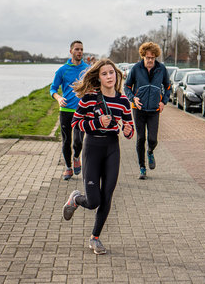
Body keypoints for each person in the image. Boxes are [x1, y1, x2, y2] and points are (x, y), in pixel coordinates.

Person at [62, 59, 134, 255]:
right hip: (92, 147)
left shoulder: (123, 101)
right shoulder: (89, 98)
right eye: (104, 74)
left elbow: (129, 128)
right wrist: (97, 122)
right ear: (99, 77)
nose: (109, 76)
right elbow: (76, 123)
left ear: (117, 75)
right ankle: (76, 199)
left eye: (112, 72)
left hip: (112, 147)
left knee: (107, 196)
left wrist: (128, 130)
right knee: (94, 201)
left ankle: (95, 238)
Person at [124, 42, 171, 180]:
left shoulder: (161, 69)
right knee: (140, 138)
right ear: (143, 56)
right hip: (138, 109)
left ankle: (150, 151)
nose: (150, 60)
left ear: (156, 57)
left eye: (153, 57)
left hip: (154, 110)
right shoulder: (136, 69)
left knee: (152, 139)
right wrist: (133, 99)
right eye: (147, 57)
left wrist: (164, 102)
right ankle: (142, 167)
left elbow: (168, 87)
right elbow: (126, 86)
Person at [50, 40, 90, 180]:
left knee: (78, 141)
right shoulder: (62, 70)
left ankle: (76, 156)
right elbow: (53, 89)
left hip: (82, 111)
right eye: (77, 49)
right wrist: (59, 98)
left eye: (81, 49)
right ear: (71, 51)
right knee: (66, 140)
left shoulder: (88, 69)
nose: (79, 52)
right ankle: (68, 167)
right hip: (66, 110)